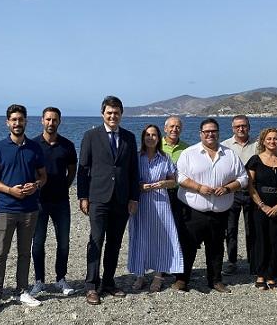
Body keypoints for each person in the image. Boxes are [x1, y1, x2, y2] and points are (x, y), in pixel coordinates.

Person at [77, 95, 139, 305]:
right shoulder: (91, 136)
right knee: (96, 241)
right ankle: (91, 285)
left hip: (121, 199)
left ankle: (109, 282)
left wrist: (134, 197)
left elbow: (133, 170)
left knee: (115, 242)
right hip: (98, 198)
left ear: (121, 114)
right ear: (103, 114)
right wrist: (83, 196)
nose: (113, 116)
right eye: (109, 113)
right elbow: (83, 169)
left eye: (116, 113)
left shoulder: (129, 137)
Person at [0, 104, 47, 314]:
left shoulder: (34, 147)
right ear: (7, 123)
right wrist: (9, 190)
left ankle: (22, 290)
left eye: (20, 119)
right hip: (6, 208)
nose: (17, 123)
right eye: (14, 120)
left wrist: (36, 185)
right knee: (0, 253)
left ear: (26, 122)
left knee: (24, 252)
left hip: (30, 209)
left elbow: (43, 176)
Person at [174, 118, 248, 293]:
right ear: (201, 134)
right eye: (206, 131)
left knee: (215, 247)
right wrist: (198, 187)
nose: (210, 134)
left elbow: (243, 178)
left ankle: (215, 280)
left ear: (218, 133)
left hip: (220, 210)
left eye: (213, 131)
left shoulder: (229, 154)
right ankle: (182, 280)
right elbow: (179, 177)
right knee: (188, 246)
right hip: (194, 210)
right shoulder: (189, 153)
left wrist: (228, 188)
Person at [128, 125, 183, 292]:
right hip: (140, 202)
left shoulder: (165, 158)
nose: (150, 138)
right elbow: (129, 180)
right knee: (139, 236)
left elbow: (173, 181)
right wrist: (140, 186)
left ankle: (159, 275)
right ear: (143, 137)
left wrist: (162, 183)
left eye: (153, 135)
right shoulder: (136, 158)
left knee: (161, 237)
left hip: (160, 203)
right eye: (147, 135)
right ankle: (140, 274)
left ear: (159, 138)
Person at [30, 107, 78, 297]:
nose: (51, 123)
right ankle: (39, 281)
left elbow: (72, 169)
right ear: (42, 121)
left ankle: (61, 279)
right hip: (39, 201)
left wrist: (65, 185)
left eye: (54, 120)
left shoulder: (67, 145)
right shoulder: (33, 144)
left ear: (59, 121)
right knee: (38, 243)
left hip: (61, 201)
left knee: (63, 242)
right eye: (48, 119)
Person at [246, 128, 277, 290]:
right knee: (260, 239)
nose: (272, 141)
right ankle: (261, 274)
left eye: (275, 139)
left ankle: (272, 275)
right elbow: (250, 186)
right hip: (259, 205)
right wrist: (262, 205)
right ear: (263, 141)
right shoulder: (255, 160)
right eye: (269, 139)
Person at [221, 114, 257, 275]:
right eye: (237, 126)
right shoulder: (225, 146)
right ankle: (232, 261)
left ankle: (253, 260)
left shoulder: (258, 145)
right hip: (232, 192)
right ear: (232, 128)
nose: (241, 129)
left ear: (249, 127)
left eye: (244, 126)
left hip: (253, 192)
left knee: (252, 228)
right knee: (231, 229)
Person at [161, 116, 193, 292]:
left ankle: (178, 266)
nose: (175, 129)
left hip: (180, 194)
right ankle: (164, 264)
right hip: (160, 193)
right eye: (172, 126)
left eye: (178, 127)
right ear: (165, 128)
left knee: (180, 229)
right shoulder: (156, 146)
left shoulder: (187, 149)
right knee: (164, 230)